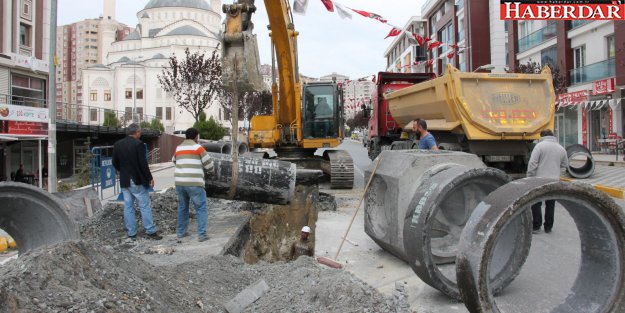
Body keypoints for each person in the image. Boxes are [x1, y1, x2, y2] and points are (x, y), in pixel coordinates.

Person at [113, 123, 161, 240]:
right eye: (140, 132)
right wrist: (149, 178)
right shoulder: (139, 144)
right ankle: (150, 230)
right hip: (136, 180)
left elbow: (115, 162)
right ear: (136, 132)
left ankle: (131, 232)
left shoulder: (118, 144)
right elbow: (143, 164)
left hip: (124, 180)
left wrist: (123, 171)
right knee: (144, 205)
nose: (140, 134)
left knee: (128, 206)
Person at [173, 128, 214, 242]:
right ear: (196, 137)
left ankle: (181, 232)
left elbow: (174, 160)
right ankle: (202, 235)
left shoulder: (179, 148)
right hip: (194, 183)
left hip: (180, 183)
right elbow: (210, 166)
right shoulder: (198, 148)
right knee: (201, 208)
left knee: (183, 207)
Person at [527, 129, 568, 234]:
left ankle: (536, 226)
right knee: (550, 204)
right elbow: (564, 166)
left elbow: (532, 164)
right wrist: (558, 175)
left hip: (538, 180)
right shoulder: (561, 148)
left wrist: (530, 177)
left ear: (542, 136)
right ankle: (548, 227)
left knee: (536, 203)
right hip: (554, 180)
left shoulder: (539, 146)